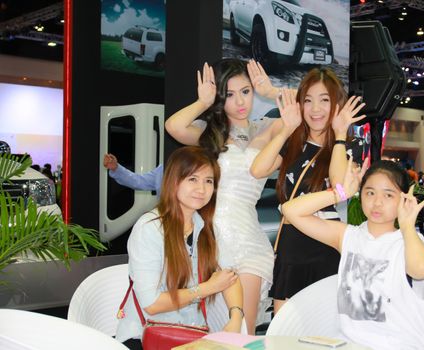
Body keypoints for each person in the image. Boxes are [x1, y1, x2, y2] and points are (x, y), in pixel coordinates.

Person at [164, 58, 282, 334]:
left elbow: (304, 112)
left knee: (244, 330)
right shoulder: (209, 133)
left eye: (246, 91)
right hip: (210, 241)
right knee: (213, 330)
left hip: (249, 241)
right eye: (229, 94)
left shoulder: (267, 128)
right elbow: (174, 126)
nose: (240, 102)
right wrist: (202, 102)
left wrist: (272, 92)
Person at [282, 159, 424, 350]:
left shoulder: (410, 242)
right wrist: (340, 193)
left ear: (403, 199)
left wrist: (407, 227)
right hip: (348, 345)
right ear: (361, 195)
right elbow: (291, 211)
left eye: (388, 195)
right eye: (370, 193)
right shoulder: (348, 236)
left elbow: (421, 270)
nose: (377, 202)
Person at [250, 67, 366, 314]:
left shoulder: (346, 147)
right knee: (283, 330)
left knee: (320, 329)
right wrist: (286, 129)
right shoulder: (294, 143)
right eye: (308, 100)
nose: (315, 109)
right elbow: (258, 170)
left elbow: (339, 186)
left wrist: (340, 135)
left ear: (336, 105)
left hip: (323, 242)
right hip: (291, 245)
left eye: (325, 100)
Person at [115, 146, 243, 349]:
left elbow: (230, 276)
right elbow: (152, 304)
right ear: (174, 181)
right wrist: (207, 288)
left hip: (191, 335)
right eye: (192, 179)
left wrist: (236, 316)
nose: (201, 189)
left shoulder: (207, 229)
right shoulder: (150, 228)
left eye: (208, 181)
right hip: (145, 336)